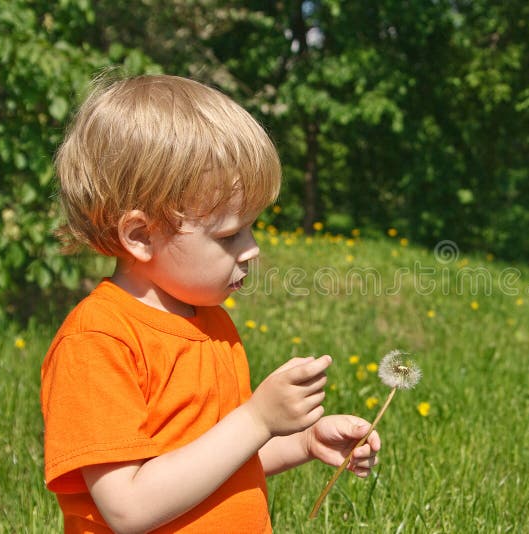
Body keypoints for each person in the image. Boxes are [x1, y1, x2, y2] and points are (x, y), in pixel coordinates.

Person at [40, 74, 380, 533]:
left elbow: (219, 456)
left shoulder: (211, 323)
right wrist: (258, 418)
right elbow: (128, 508)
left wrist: (302, 442)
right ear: (140, 236)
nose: (253, 247)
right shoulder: (98, 341)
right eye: (228, 234)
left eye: (252, 227)